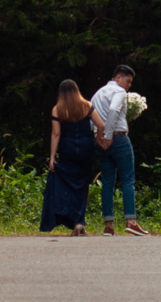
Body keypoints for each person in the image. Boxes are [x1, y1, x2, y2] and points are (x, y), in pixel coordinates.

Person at [89, 64, 149, 235]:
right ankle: (131, 220)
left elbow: (91, 116)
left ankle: (108, 224)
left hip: (100, 140)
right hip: (118, 138)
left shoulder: (97, 94)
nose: (129, 86)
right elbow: (113, 109)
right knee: (128, 179)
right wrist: (108, 135)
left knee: (108, 181)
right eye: (128, 81)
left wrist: (98, 136)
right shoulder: (119, 92)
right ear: (118, 78)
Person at [40, 79, 98, 235]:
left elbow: (56, 133)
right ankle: (80, 221)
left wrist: (52, 156)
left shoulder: (57, 109)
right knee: (83, 184)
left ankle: (71, 218)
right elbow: (101, 125)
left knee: (68, 184)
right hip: (86, 148)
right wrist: (100, 139)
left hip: (67, 149)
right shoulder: (87, 105)